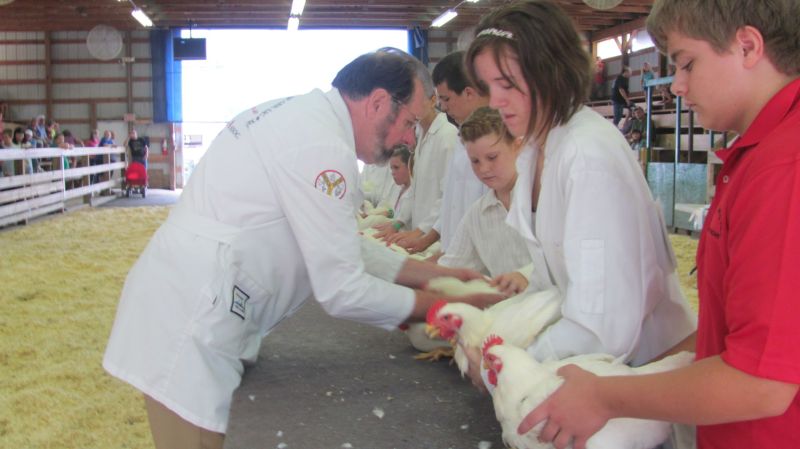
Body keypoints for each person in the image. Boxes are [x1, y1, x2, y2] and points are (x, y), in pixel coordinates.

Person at [103, 50, 503, 449]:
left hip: (199, 302)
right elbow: (341, 288)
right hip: (191, 322)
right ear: (379, 102)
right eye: (409, 123)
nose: (407, 139)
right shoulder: (323, 148)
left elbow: (342, 244)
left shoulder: (309, 121)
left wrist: (440, 277)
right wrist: (442, 309)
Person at [517, 1, 800, 448]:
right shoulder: (757, 155)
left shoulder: (784, 167)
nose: (679, 86)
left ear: (748, 46)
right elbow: (735, 333)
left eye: (687, 63)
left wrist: (607, 396)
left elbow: (761, 382)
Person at [463, 0, 695, 386]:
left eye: (507, 84)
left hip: (637, 374)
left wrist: (507, 364)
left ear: (549, 72)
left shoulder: (586, 156)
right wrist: (497, 335)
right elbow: (552, 285)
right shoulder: (537, 147)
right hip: (595, 374)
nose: (496, 100)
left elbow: (601, 326)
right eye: (489, 87)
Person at [398, 51, 491, 258]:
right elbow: (451, 203)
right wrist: (429, 241)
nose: (444, 107)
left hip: (482, 259)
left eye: (446, 99)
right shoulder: (461, 136)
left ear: (469, 93)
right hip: (454, 253)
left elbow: (480, 211)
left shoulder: (489, 141)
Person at [438, 106, 532, 297]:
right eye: (475, 161)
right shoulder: (477, 214)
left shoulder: (543, 197)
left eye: (492, 157)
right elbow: (452, 267)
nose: (484, 169)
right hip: (509, 315)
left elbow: (568, 258)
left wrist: (526, 275)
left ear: (518, 146)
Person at [372, 145, 414, 234]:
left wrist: (394, 225)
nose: (393, 172)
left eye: (396, 167)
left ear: (409, 166)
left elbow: (405, 222)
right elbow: (395, 213)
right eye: (391, 168)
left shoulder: (414, 192)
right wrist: (387, 213)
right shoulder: (398, 188)